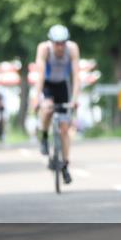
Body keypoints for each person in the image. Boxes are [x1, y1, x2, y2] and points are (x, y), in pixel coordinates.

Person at [32, 24, 81, 185]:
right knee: (47, 109)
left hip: (62, 85)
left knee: (65, 128)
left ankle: (65, 164)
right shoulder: (44, 49)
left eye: (62, 43)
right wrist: (36, 97)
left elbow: (76, 76)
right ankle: (44, 136)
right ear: (51, 42)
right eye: (56, 43)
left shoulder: (72, 49)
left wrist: (74, 99)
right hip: (47, 84)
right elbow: (39, 76)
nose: (60, 47)